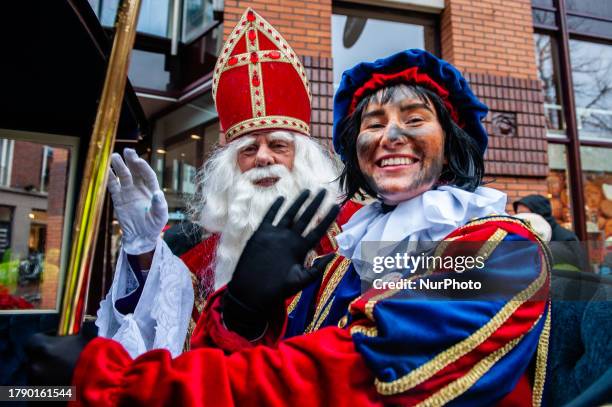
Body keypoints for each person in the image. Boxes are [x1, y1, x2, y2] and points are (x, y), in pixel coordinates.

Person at [28, 45, 550, 406]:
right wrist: (243, 316)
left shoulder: (502, 250)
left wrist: (119, 384)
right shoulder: (341, 262)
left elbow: (354, 376)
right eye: (372, 124)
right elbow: (254, 367)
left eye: (415, 120)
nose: (390, 136)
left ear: (452, 141)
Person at [93, 8, 347, 358]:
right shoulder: (197, 260)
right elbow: (150, 336)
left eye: (277, 145)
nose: (262, 157)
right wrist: (142, 248)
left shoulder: (353, 233)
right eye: (248, 148)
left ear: (303, 158)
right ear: (230, 167)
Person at [514, 194, 584, 271]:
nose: (520, 218)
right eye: (518, 214)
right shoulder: (522, 236)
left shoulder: (566, 238)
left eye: (524, 214)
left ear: (539, 213)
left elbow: (578, 267)